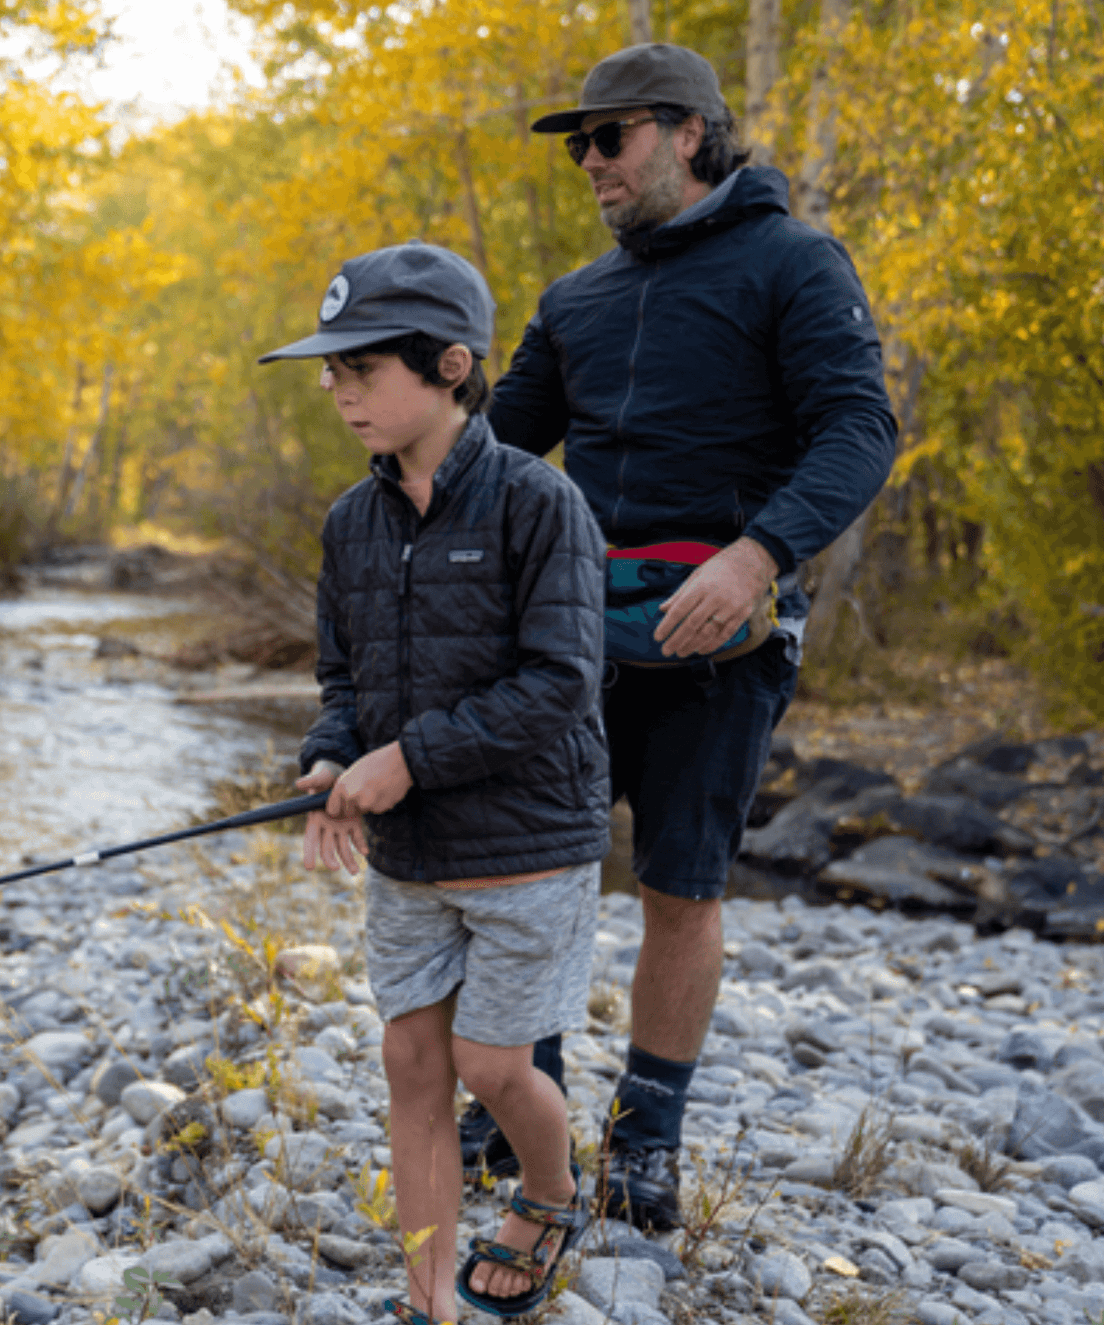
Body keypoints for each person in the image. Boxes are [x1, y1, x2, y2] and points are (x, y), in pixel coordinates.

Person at [471, 43, 898, 1230]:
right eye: (578, 146)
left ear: (689, 134)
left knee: (677, 884)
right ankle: (519, 1104)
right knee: (535, 867)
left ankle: (645, 1137)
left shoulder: (795, 263)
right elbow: (495, 457)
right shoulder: (574, 300)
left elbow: (858, 429)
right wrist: (399, 408)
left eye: (608, 138)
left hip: (722, 633)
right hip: (565, 637)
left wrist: (754, 554)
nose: (588, 162)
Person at [260, 242, 611, 1323]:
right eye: (329, 370)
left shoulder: (536, 502)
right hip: (410, 859)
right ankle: (429, 1302)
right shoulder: (347, 522)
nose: (336, 389)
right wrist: (330, 757)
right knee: (412, 1056)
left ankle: (550, 1192)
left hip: (524, 846)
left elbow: (557, 682)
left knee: (492, 1061)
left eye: (359, 368)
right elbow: (343, 679)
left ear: (450, 366)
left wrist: (403, 759)